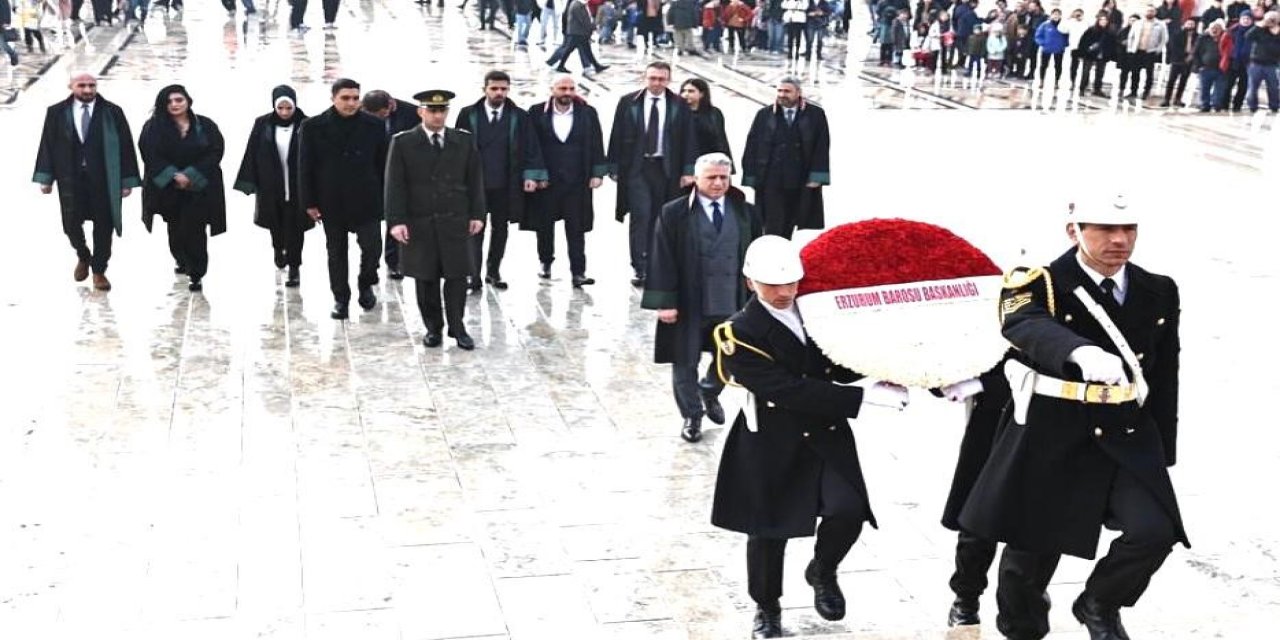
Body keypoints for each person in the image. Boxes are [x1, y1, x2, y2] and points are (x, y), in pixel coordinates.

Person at [960, 195, 1186, 640]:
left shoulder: (1159, 289)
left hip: (1123, 432)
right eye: (1104, 228)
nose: (1119, 240)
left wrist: (1164, 450)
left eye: (1129, 229)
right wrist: (1078, 351)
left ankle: (1099, 603)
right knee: (1027, 563)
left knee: (1155, 531)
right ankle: (1022, 627)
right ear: (1074, 231)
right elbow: (1024, 323)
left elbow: (1164, 373)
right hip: (1052, 432)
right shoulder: (1038, 282)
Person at [709, 235, 909, 639]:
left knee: (848, 510)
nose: (784, 292)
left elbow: (839, 361)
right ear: (750, 282)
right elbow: (786, 390)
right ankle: (767, 607)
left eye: (791, 282)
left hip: (824, 432)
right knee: (769, 531)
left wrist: (888, 364)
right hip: (771, 438)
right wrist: (861, 398)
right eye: (773, 284)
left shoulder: (818, 312)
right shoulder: (738, 333)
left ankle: (823, 569)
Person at [642, 153, 760, 443]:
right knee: (684, 359)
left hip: (732, 298)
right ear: (696, 178)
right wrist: (665, 302)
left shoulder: (746, 212)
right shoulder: (674, 212)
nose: (718, 183)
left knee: (731, 354)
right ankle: (692, 415)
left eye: (723, 177)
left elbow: (757, 253)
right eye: (711, 177)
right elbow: (662, 257)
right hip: (689, 301)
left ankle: (709, 391)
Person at [385, 90, 486, 350]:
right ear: (421, 112)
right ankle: (433, 327)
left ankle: (458, 327)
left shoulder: (463, 140)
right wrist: (396, 221)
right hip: (421, 220)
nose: (438, 116)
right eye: (432, 110)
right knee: (426, 277)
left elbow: (475, 180)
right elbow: (395, 185)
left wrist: (477, 214)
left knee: (457, 276)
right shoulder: (404, 142)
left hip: (455, 219)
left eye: (442, 110)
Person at [33, 72, 141, 292]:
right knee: (71, 223)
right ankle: (83, 255)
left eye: (92, 85)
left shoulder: (112, 112)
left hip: (104, 178)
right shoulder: (56, 112)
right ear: (71, 86)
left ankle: (99, 270)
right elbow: (48, 144)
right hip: (70, 178)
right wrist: (46, 177)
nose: (88, 90)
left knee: (104, 225)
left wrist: (127, 180)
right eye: (82, 85)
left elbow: (126, 145)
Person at [299, 78, 389, 320]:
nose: (351, 103)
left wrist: (386, 197)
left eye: (355, 98)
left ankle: (366, 282)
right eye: (345, 98)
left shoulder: (374, 125)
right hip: (332, 199)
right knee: (336, 252)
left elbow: (383, 164)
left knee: (372, 247)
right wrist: (309, 202)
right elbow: (305, 166)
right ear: (333, 98)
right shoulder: (313, 126)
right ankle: (341, 298)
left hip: (366, 198)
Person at [454, 70, 548, 292]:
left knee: (501, 229)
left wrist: (532, 176)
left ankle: (493, 271)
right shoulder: (468, 114)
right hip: (476, 184)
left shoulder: (519, 116)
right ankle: (473, 274)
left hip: (506, 184)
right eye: (494, 88)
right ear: (484, 89)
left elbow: (531, 147)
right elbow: (457, 147)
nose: (499, 93)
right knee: (474, 228)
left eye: (503, 89)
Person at [607, 61, 697, 288]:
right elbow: (616, 134)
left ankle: (660, 263)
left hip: (667, 169)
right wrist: (613, 166)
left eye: (661, 79)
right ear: (644, 78)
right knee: (641, 215)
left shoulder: (679, 105)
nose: (656, 83)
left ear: (669, 80)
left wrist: (688, 170)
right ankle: (640, 266)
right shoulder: (629, 102)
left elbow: (689, 139)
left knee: (664, 217)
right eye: (652, 78)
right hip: (637, 168)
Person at [935, 361, 1011, 627]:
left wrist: (982, 384)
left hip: (1043, 415)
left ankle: (1025, 595)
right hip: (991, 421)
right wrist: (935, 374)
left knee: (1032, 521)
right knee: (977, 519)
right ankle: (966, 598)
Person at [138, 85, 228, 293]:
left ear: (187, 101)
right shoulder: (153, 127)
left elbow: (215, 151)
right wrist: (173, 175)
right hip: (168, 188)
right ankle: (181, 258)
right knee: (176, 228)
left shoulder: (205, 125)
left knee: (195, 229)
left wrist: (191, 175)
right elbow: (150, 154)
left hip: (199, 187)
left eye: (179, 100)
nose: (174, 105)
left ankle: (197, 273)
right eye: (169, 101)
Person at [524, 74, 607, 288]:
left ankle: (578, 272)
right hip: (547, 182)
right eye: (562, 89)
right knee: (544, 226)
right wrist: (535, 175)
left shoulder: (587, 113)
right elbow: (530, 146)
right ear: (552, 89)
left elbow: (597, 143)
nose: (567, 93)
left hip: (577, 181)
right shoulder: (536, 112)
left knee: (576, 227)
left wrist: (597, 173)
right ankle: (545, 261)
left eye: (571, 88)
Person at [233, 85, 312, 288]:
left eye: (289, 108)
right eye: (281, 108)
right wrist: (248, 181)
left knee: (296, 228)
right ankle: (278, 248)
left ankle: (294, 267)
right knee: (275, 223)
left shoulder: (306, 124)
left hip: (297, 186)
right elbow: (252, 151)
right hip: (271, 184)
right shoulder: (263, 124)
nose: (285, 112)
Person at [741, 77, 829, 240]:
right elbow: (752, 145)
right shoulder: (764, 115)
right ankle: (774, 252)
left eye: (787, 91)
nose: (782, 95)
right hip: (771, 180)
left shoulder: (815, 115)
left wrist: (817, 177)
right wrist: (751, 177)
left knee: (801, 224)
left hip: (802, 180)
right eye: (779, 91)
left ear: (798, 92)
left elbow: (821, 146)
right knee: (773, 225)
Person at [361, 90, 419, 281]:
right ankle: (372, 260)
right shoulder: (359, 113)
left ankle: (394, 261)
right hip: (372, 175)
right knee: (371, 221)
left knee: (395, 216)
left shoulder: (412, 114)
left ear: (391, 105)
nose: (379, 119)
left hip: (399, 174)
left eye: (381, 114)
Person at [679, 78, 733, 166]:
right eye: (683, 91)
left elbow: (721, 140)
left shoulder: (714, 113)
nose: (686, 94)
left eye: (691, 91)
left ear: (702, 94)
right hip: (684, 162)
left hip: (709, 162)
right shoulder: (677, 113)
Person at [545, 0, 609, 73]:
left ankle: (596, 66)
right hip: (577, 32)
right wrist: (592, 27)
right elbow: (583, 20)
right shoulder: (577, 5)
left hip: (578, 32)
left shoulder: (577, 4)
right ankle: (560, 65)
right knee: (569, 50)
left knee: (585, 50)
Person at [1125, 7, 1168, 100]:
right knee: (1135, 72)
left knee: (1149, 73)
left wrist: (1158, 49)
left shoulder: (1160, 24)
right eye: (1148, 11)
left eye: (1152, 11)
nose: (1150, 12)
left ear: (1155, 12)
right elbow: (1131, 36)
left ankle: (1146, 92)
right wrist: (1130, 48)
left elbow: (1164, 39)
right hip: (1137, 51)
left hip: (1150, 52)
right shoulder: (1138, 23)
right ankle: (1133, 92)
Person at [1245, 10, 1280, 112]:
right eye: (1269, 19)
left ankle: (1274, 106)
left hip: (1272, 64)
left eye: (1273, 19)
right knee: (1252, 87)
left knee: (1273, 87)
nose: (1271, 22)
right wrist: (1258, 26)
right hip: (1256, 63)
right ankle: (1252, 106)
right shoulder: (1260, 30)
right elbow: (1248, 36)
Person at [1193, 19, 1230, 112]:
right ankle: (1205, 105)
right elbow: (1196, 52)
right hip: (1205, 68)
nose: (1214, 30)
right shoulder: (1203, 38)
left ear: (1222, 30)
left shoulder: (1226, 38)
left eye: (1217, 28)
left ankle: (1216, 105)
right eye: (1212, 28)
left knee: (1219, 90)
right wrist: (1198, 66)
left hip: (1221, 69)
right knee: (1204, 89)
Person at [1077, 13, 1116, 97]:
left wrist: (1110, 55)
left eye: (1105, 20)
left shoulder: (1110, 32)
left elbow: (1112, 45)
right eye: (1101, 20)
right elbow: (1083, 41)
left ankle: (1097, 89)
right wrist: (1082, 52)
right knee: (1086, 72)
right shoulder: (1091, 30)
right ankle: (1082, 88)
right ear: (1098, 21)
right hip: (1089, 54)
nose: (1103, 22)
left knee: (1100, 73)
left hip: (1102, 55)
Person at [1162, 18, 1198, 107]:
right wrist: (1181, 57)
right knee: (1171, 80)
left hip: (1189, 61)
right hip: (1177, 60)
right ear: (1185, 24)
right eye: (1188, 24)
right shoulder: (1177, 34)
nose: (1190, 26)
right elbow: (1173, 47)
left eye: (1192, 24)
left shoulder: (1197, 36)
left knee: (1183, 81)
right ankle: (1166, 99)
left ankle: (1178, 99)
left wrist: (1191, 57)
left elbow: (1197, 48)